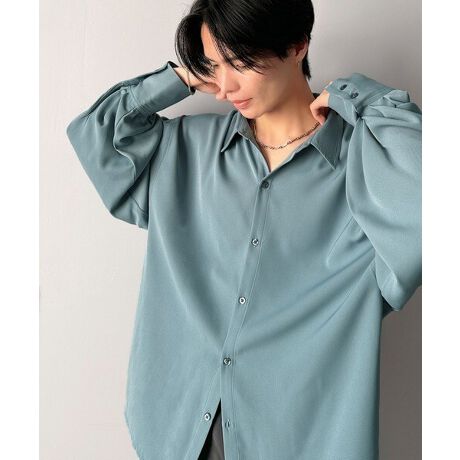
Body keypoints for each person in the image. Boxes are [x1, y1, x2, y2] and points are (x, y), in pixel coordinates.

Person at [65, 1, 422, 459]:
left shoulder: (366, 171)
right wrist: (181, 77)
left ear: (297, 46)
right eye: (214, 65)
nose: (225, 87)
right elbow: (96, 135)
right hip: (178, 431)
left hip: (300, 439)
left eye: (239, 63)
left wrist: (360, 97)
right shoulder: (185, 150)